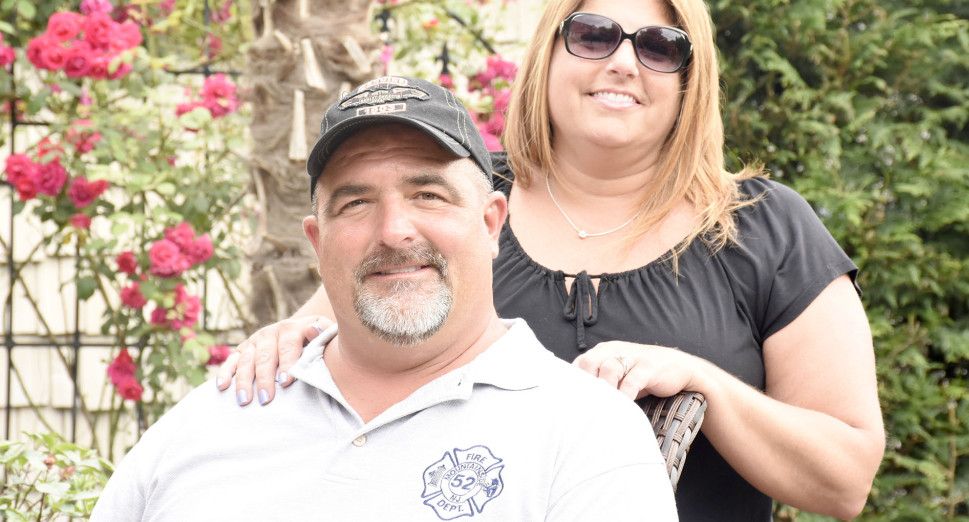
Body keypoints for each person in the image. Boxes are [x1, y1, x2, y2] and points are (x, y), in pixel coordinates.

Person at [219, 0, 886, 520]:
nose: (623, 62)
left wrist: (699, 380)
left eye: (659, 47)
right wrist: (286, 342)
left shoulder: (763, 230)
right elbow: (332, 337)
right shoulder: (460, 202)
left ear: (691, 80)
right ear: (549, 55)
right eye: (594, 36)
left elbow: (846, 476)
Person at [92, 77, 678, 521]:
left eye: (427, 194)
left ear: (492, 224)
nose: (395, 230)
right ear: (318, 244)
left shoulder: (586, 433)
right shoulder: (216, 417)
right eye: (356, 203)